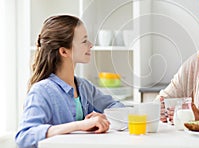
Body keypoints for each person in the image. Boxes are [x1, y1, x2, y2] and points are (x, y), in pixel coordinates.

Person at [15, 15, 125, 148]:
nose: (91, 45)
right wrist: (79, 125)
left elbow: (117, 107)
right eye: (84, 41)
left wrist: (103, 116)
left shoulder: (84, 87)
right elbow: (24, 136)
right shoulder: (42, 91)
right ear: (64, 51)